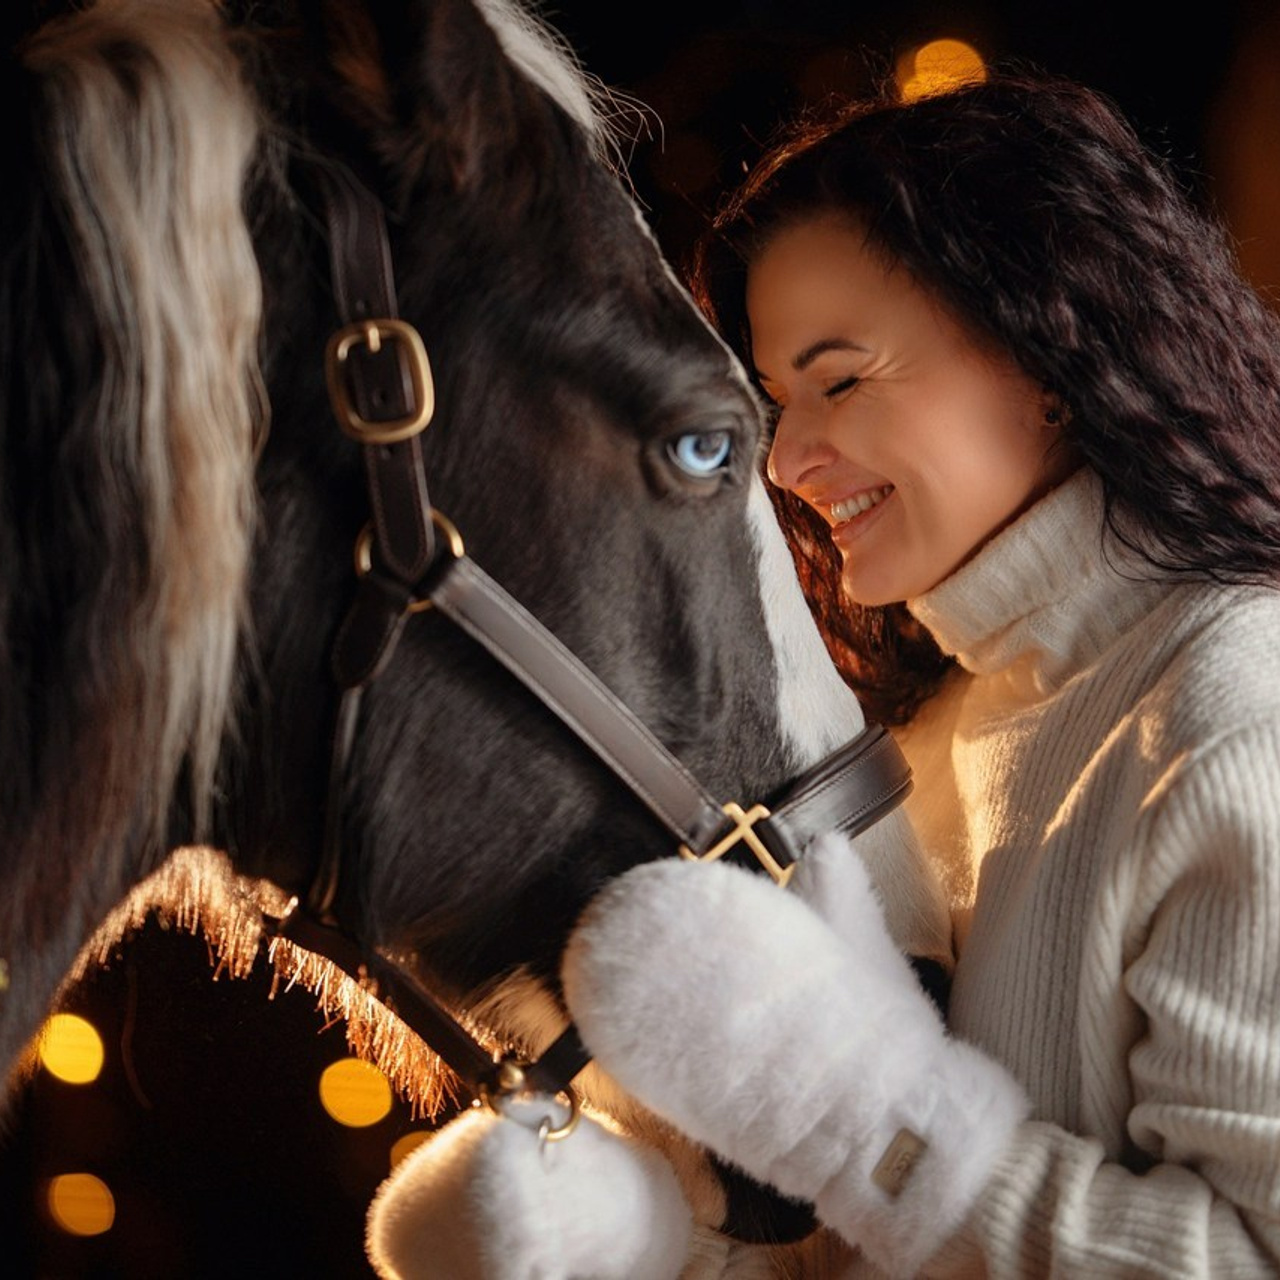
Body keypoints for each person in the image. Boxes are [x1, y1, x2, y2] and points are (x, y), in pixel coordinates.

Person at [558, 68, 1280, 1276]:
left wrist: (860, 1111)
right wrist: (634, 1235)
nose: (784, 459)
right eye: (776, 399)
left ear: (1046, 345)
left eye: (839, 378)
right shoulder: (923, 740)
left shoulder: (1239, 720)